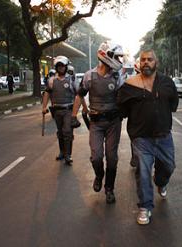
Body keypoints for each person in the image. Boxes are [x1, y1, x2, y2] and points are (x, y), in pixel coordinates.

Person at [117, 49, 178, 225]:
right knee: (143, 171)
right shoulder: (130, 85)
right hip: (141, 138)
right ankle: (145, 207)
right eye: (143, 59)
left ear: (156, 62)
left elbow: (173, 104)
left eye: (149, 59)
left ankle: (161, 181)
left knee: (169, 166)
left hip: (164, 137)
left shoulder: (167, 83)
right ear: (139, 63)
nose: (146, 62)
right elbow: (122, 109)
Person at [72, 41, 125, 204]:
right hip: (96, 123)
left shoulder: (118, 76)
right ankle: (99, 175)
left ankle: (109, 188)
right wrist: (75, 115)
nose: (119, 61)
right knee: (96, 157)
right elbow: (80, 95)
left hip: (113, 123)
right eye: (117, 57)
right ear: (106, 55)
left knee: (112, 158)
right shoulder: (89, 76)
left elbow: (124, 98)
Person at [42, 55, 79, 166]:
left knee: (67, 131)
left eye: (62, 66)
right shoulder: (52, 80)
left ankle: (68, 155)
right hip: (56, 111)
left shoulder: (71, 79)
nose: (61, 68)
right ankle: (62, 152)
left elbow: (78, 94)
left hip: (68, 109)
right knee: (60, 132)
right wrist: (44, 107)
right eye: (58, 66)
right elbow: (47, 93)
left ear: (66, 67)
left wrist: (78, 111)